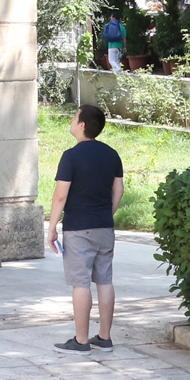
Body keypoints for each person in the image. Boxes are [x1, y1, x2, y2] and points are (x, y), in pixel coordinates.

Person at [46, 103, 125, 353]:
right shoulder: (112, 154)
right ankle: (104, 337)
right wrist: (105, 214)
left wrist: (52, 227)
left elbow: (60, 196)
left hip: (79, 228)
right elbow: (119, 191)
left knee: (81, 283)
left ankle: (81, 340)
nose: (71, 120)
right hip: (104, 227)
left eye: (74, 117)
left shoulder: (71, 156)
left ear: (82, 125)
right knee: (105, 281)